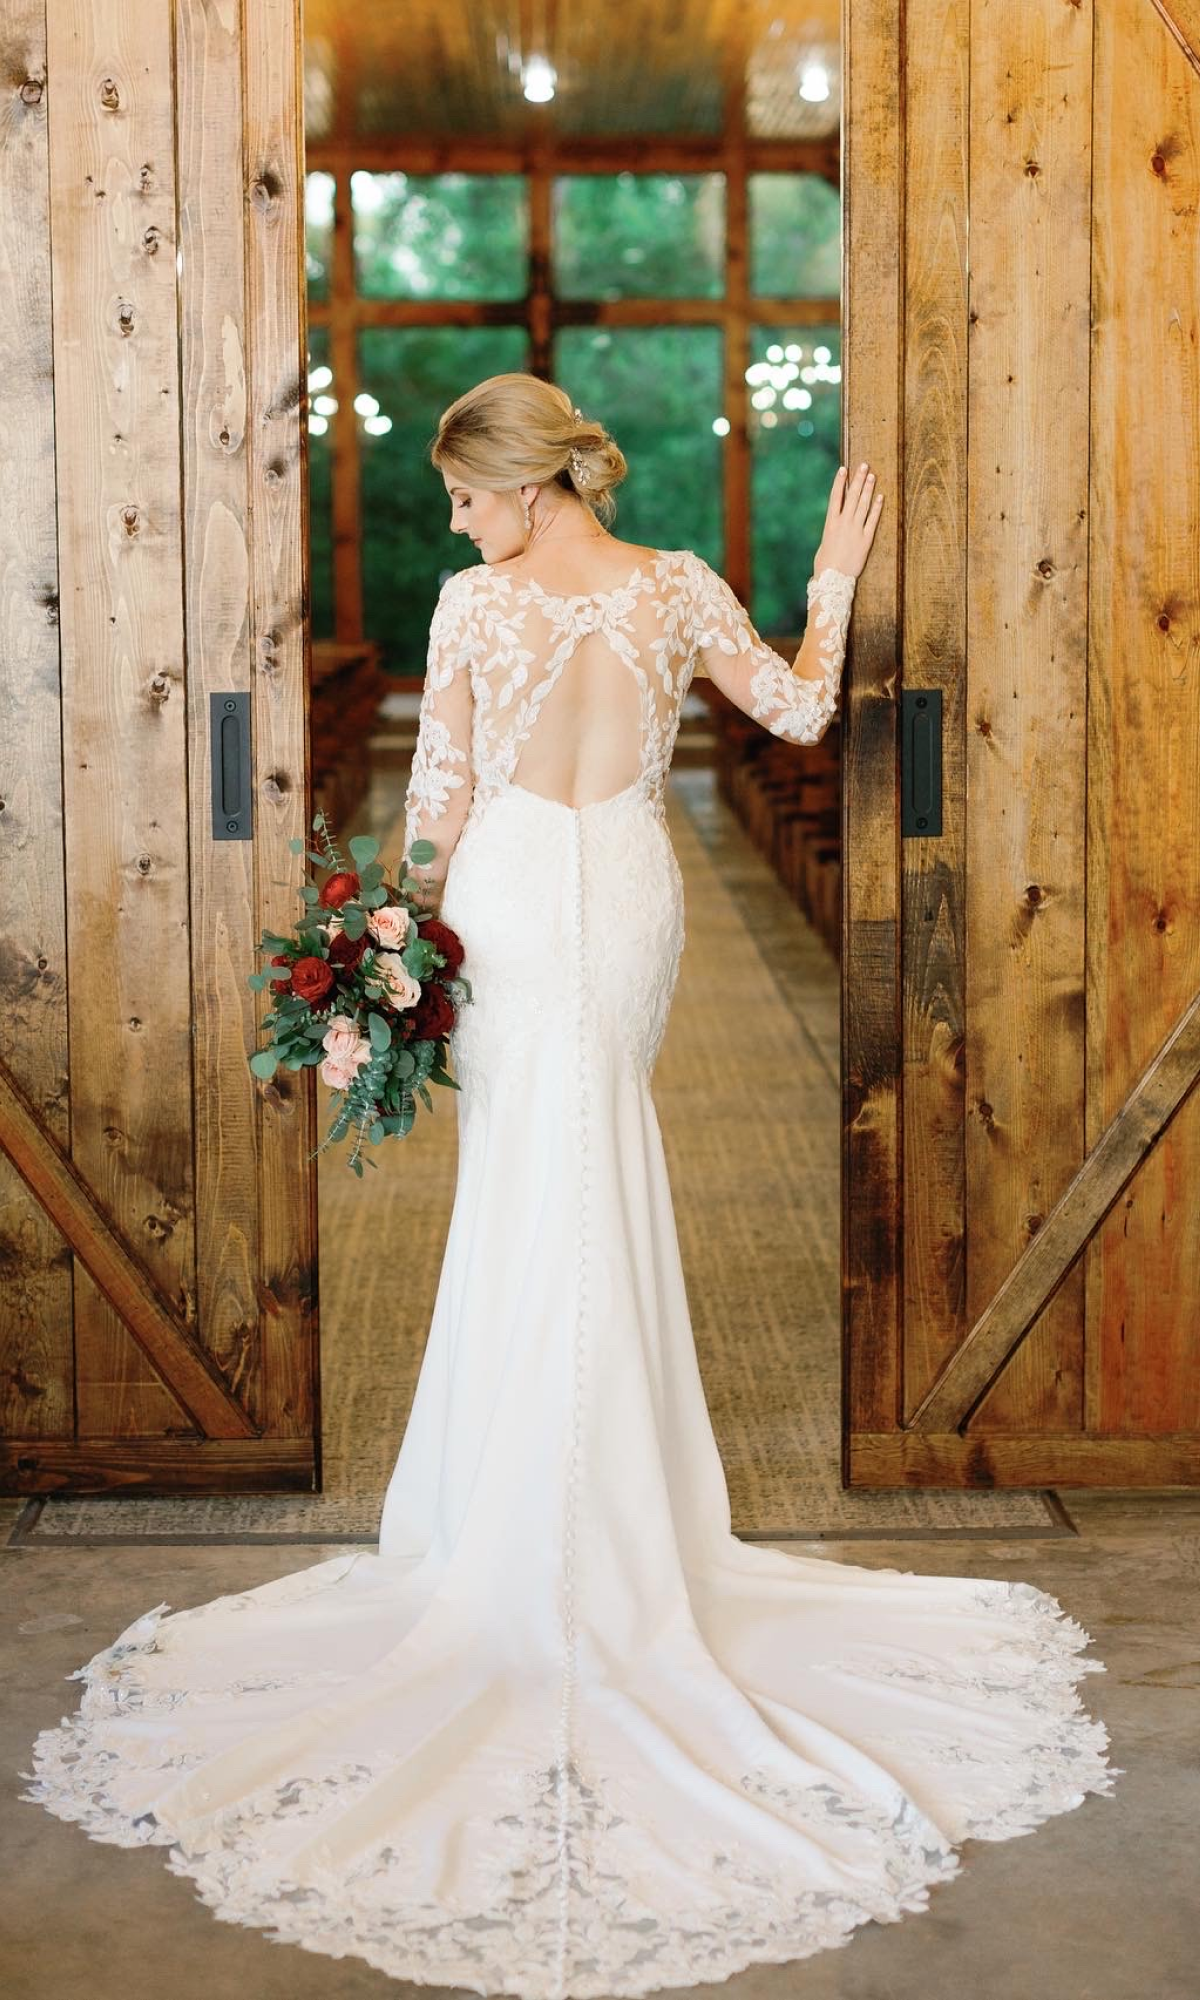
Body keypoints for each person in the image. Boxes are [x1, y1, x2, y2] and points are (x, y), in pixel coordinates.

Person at [21, 373, 1118, 1998]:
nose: (455, 524)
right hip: (632, 895)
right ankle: (615, 1534)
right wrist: (832, 579)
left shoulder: (478, 601)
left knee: (531, 1189)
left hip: (525, 901)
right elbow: (805, 713)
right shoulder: (676, 582)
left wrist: (379, 952)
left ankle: (517, 1533)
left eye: (465, 496)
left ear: (521, 488)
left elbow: (443, 805)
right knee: (601, 1168)